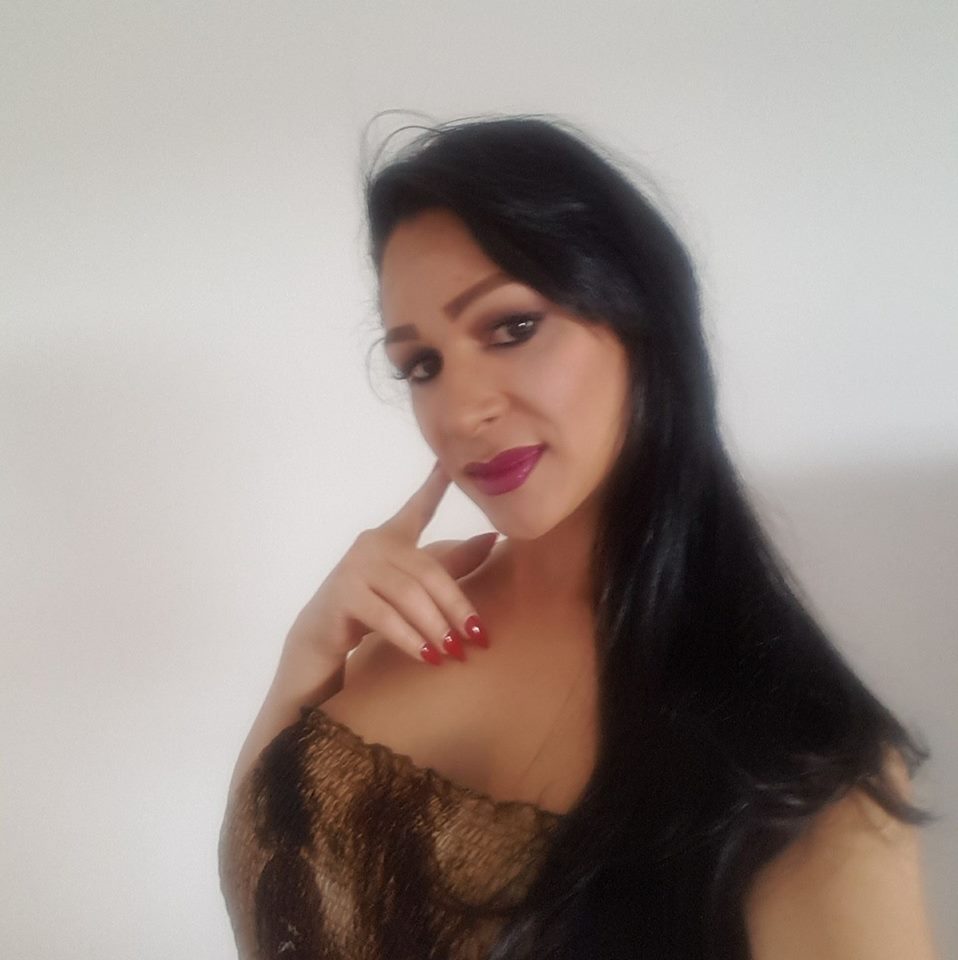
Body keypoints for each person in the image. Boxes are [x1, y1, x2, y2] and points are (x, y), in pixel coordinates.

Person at [218, 114, 939, 959]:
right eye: (423, 365)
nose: (460, 411)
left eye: (511, 327)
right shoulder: (392, 633)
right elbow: (266, 897)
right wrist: (305, 656)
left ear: (640, 318)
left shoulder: (795, 758)